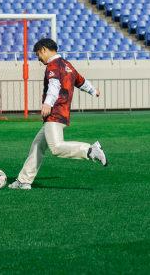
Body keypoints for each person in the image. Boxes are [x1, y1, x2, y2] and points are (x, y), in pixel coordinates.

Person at [9, 38, 107, 190]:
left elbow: (54, 85)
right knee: (38, 145)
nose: (39, 59)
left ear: (44, 49)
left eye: (38, 54)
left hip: (54, 114)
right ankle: (24, 181)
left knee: (56, 148)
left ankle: (90, 150)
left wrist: (48, 103)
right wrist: (93, 90)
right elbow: (81, 81)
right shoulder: (68, 65)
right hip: (64, 115)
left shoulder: (52, 65)